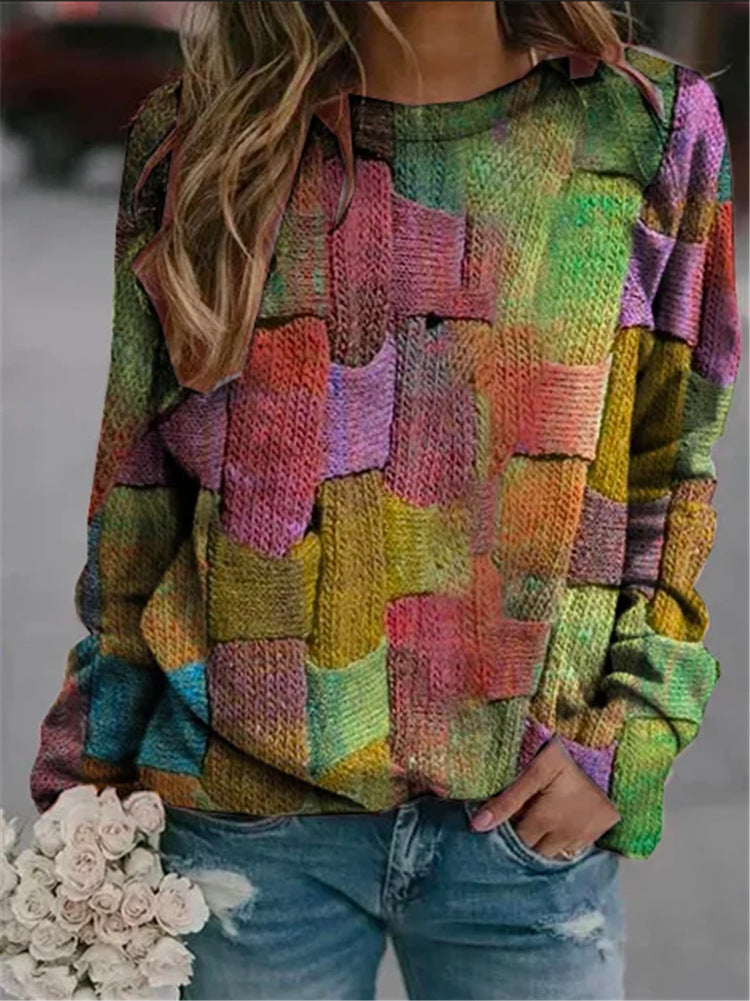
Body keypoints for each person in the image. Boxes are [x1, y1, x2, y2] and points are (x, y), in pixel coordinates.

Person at [29, 2, 741, 999]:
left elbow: (672, 468)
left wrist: (633, 733)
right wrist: (84, 790)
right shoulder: (201, 140)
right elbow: (137, 500)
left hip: (525, 826)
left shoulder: (649, 130)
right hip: (242, 824)